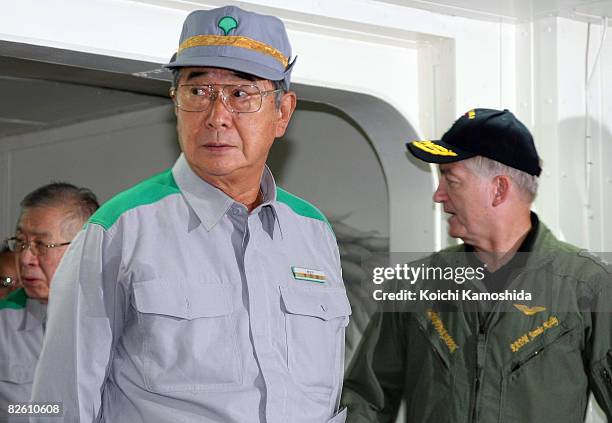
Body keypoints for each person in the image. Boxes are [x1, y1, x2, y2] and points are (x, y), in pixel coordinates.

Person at [31, 6, 350, 423]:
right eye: (198, 93)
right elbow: (59, 404)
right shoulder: (119, 231)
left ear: (283, 112)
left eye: (241, 95)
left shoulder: (312, 231)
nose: (217, 117)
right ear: (175, 105)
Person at [341, 108, 612, 422]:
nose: (438, 195)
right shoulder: (413, 284)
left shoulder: (588, 286)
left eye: (451, 181)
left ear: (498, 189)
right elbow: (364, 401)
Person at [0, 183, 99, 422]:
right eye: (21, 243)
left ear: (85, 248)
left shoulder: (123, 319)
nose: (25, 258)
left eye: (41, 245)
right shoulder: (4, 323)